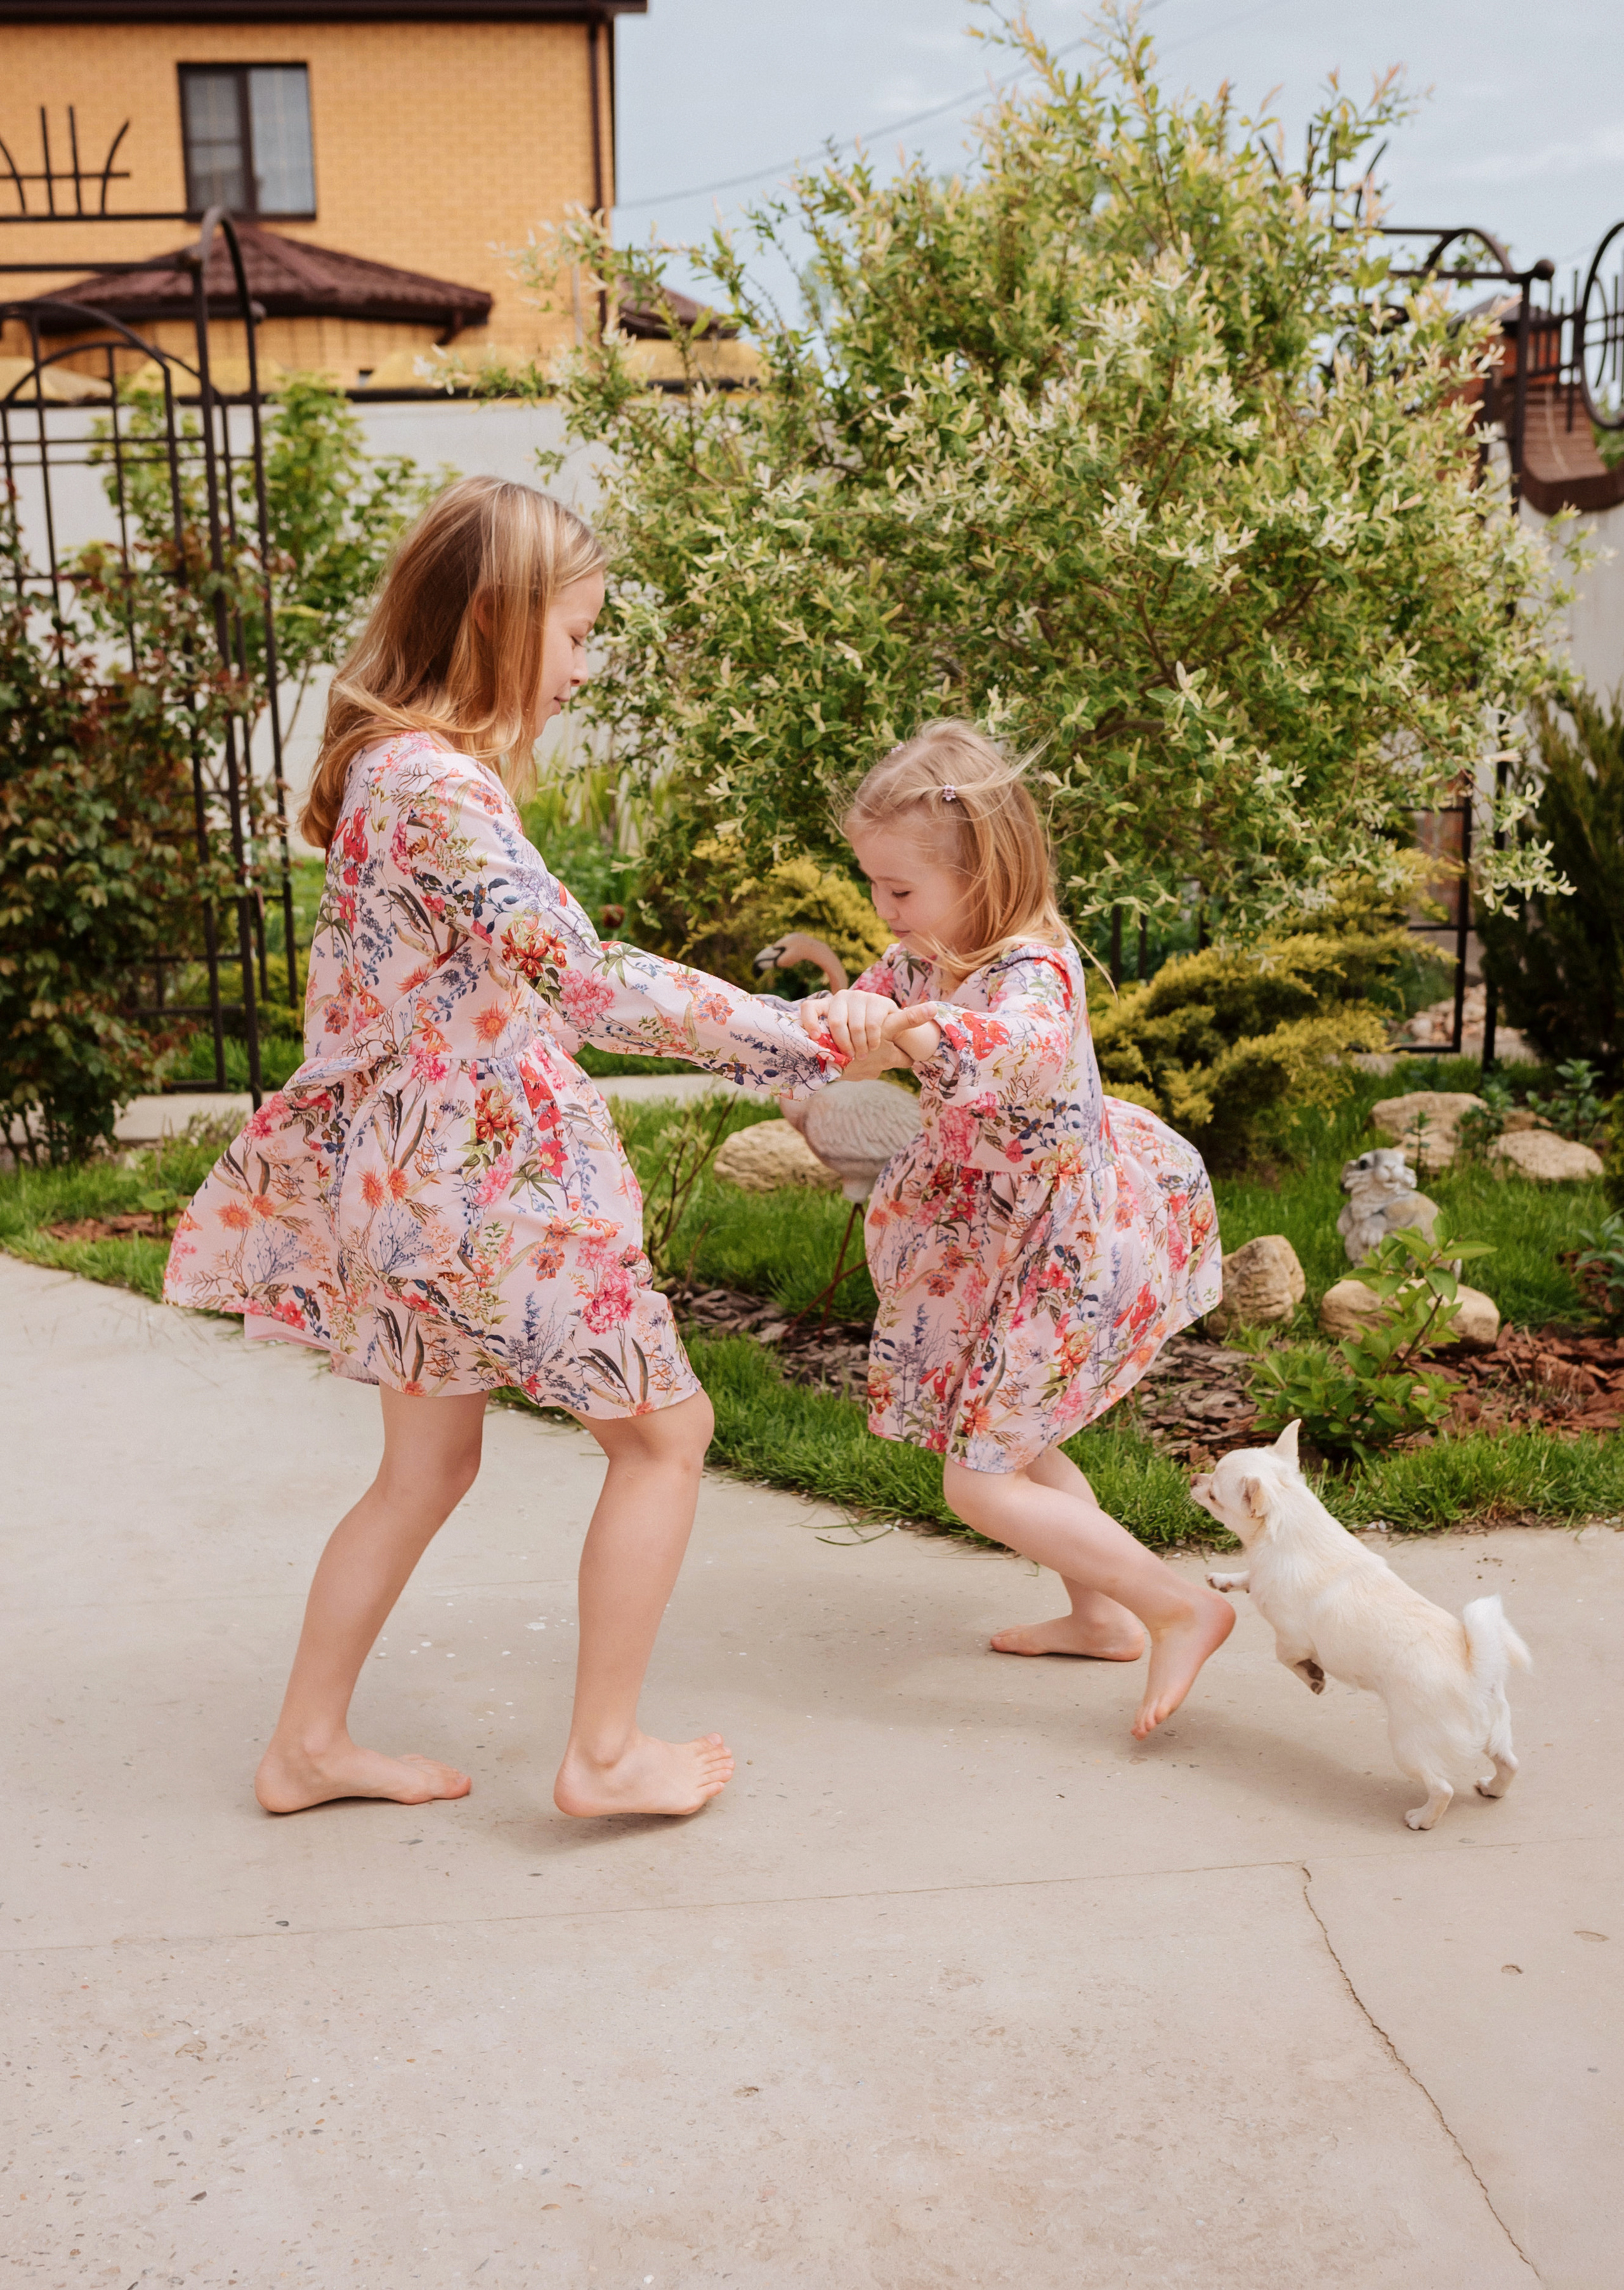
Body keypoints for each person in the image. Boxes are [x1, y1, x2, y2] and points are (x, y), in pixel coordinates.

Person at [164, 477, 844, 1820]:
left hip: (410, 1177)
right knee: (666, 1436)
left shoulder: (386, 768)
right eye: (577, 634)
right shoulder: (439, 783)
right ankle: (602, 1752)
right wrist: (805, 1035)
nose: (586, 667)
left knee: (425, 1466)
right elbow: (587, 983)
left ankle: (306, 1742)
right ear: (496, 614)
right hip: (487, 1180)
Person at [801, 720, 1233, 1739]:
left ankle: (1180, 1606)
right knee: (1027, 1451)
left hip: (1055, 1251)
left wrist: (907, 1037)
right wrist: (840, 1028)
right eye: (873, 886)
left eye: (900, 891)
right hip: (991, 1243)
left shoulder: (1033, 972)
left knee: (981, 1481)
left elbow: (1005, 1046)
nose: (882, 911)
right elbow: (864, 1022)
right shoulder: (924, 954)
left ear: (982, 870)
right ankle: (1101, 1618)